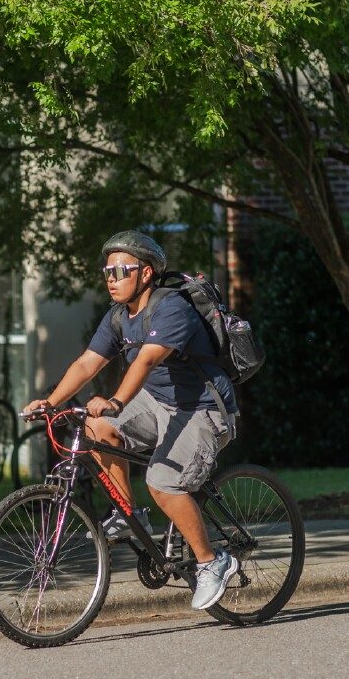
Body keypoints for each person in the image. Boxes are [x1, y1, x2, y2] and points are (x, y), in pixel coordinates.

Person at [23, 230, 239, 611]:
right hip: (158, 402)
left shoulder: (171, 307)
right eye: (107, 270)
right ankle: (129, 515)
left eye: (121, 269)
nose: (112, 277)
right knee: (96, 429)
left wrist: (118, 399)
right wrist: (50, 401)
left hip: (202, 407)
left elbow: (147, 360)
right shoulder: (119, 317)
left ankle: (212, 561)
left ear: (146, 273)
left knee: (162, 482)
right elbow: (89, 362)